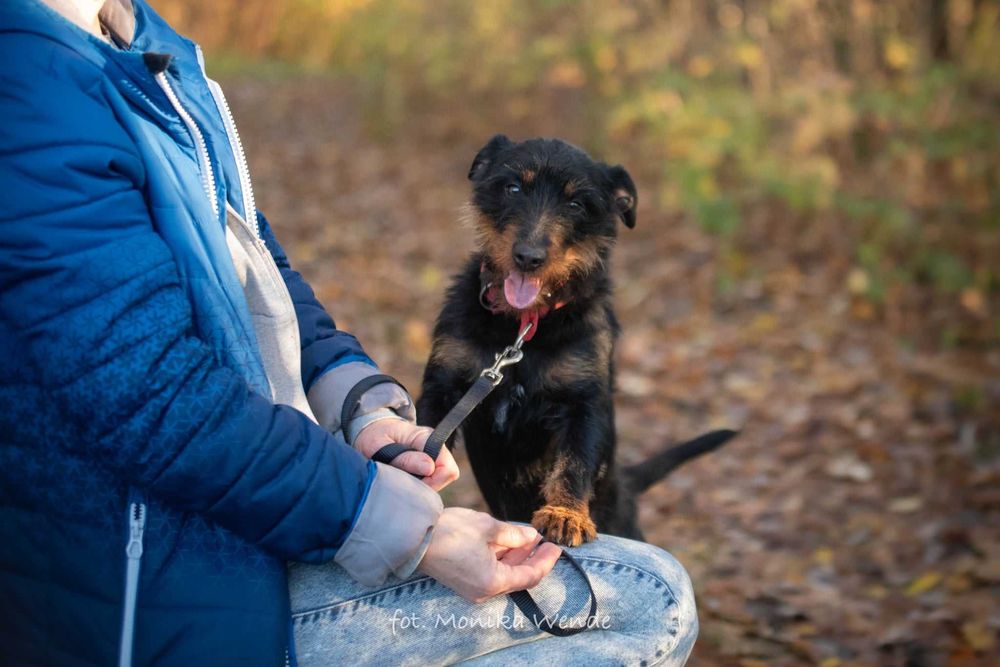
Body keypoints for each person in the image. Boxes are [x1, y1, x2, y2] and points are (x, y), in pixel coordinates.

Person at [0, 1, 699, 665]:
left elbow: (252, 264)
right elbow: (160, 404)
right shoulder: (36, 91)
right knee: (650, 597)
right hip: (162, 587)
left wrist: (358, 401)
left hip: (256, 518)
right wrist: (406, 528)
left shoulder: (137, 39)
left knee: (637, 574)